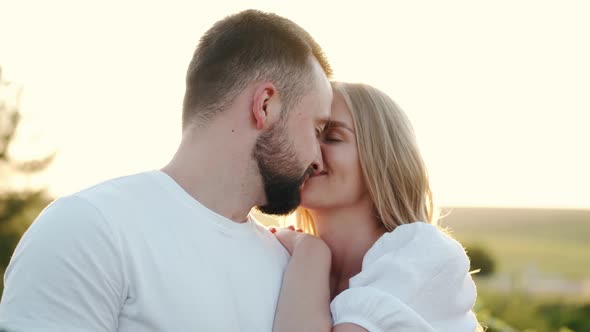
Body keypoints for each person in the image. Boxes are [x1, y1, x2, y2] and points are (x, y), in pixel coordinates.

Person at [0, 9, 333, 332]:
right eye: (317, 130)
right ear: (265, 105)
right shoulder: (89, 228)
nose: (319, 159)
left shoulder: (287, 271)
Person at [271, 82, 480, 332]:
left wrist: (311, 253)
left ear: (382, 156)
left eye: (333, 137)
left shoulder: (423, 254)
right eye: (307, 134)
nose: (310, 152)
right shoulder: (282, 258)